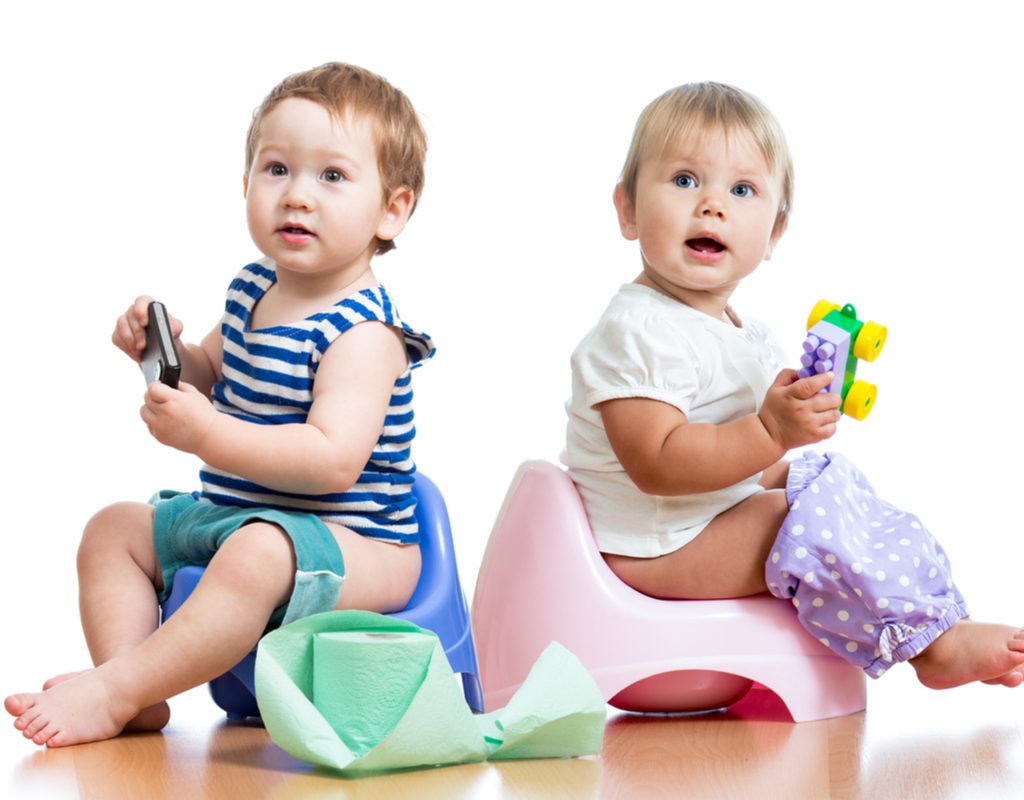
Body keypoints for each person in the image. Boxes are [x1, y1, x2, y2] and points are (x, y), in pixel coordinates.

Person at [6, 62, 434, 747]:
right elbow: (210, 373)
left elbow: (330, 463)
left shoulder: (364, 335)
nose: (297, 196)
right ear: (245, 186)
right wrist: (166, 350)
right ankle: (129, 684)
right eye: (276, 170)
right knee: (112, 529)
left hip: (358, 543)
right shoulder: (252, 290)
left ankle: (117, 691)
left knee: (259, 555)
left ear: (392, 208)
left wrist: (207, 435)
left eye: (332, 176)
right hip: (246, 518)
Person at [563, 81, 1024, 690]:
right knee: (798, 521)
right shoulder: (640, 329)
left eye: (742, 189)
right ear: (627, 209)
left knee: (831, 481)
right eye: (683, 180)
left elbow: (749, 457)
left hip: (702, 515)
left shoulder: (744, 332)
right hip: (655, 544)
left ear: (774, 232)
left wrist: (793, 414)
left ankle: (938, 615)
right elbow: (657, 464)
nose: (711, 205)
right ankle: (931, 649)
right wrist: (768, 430)